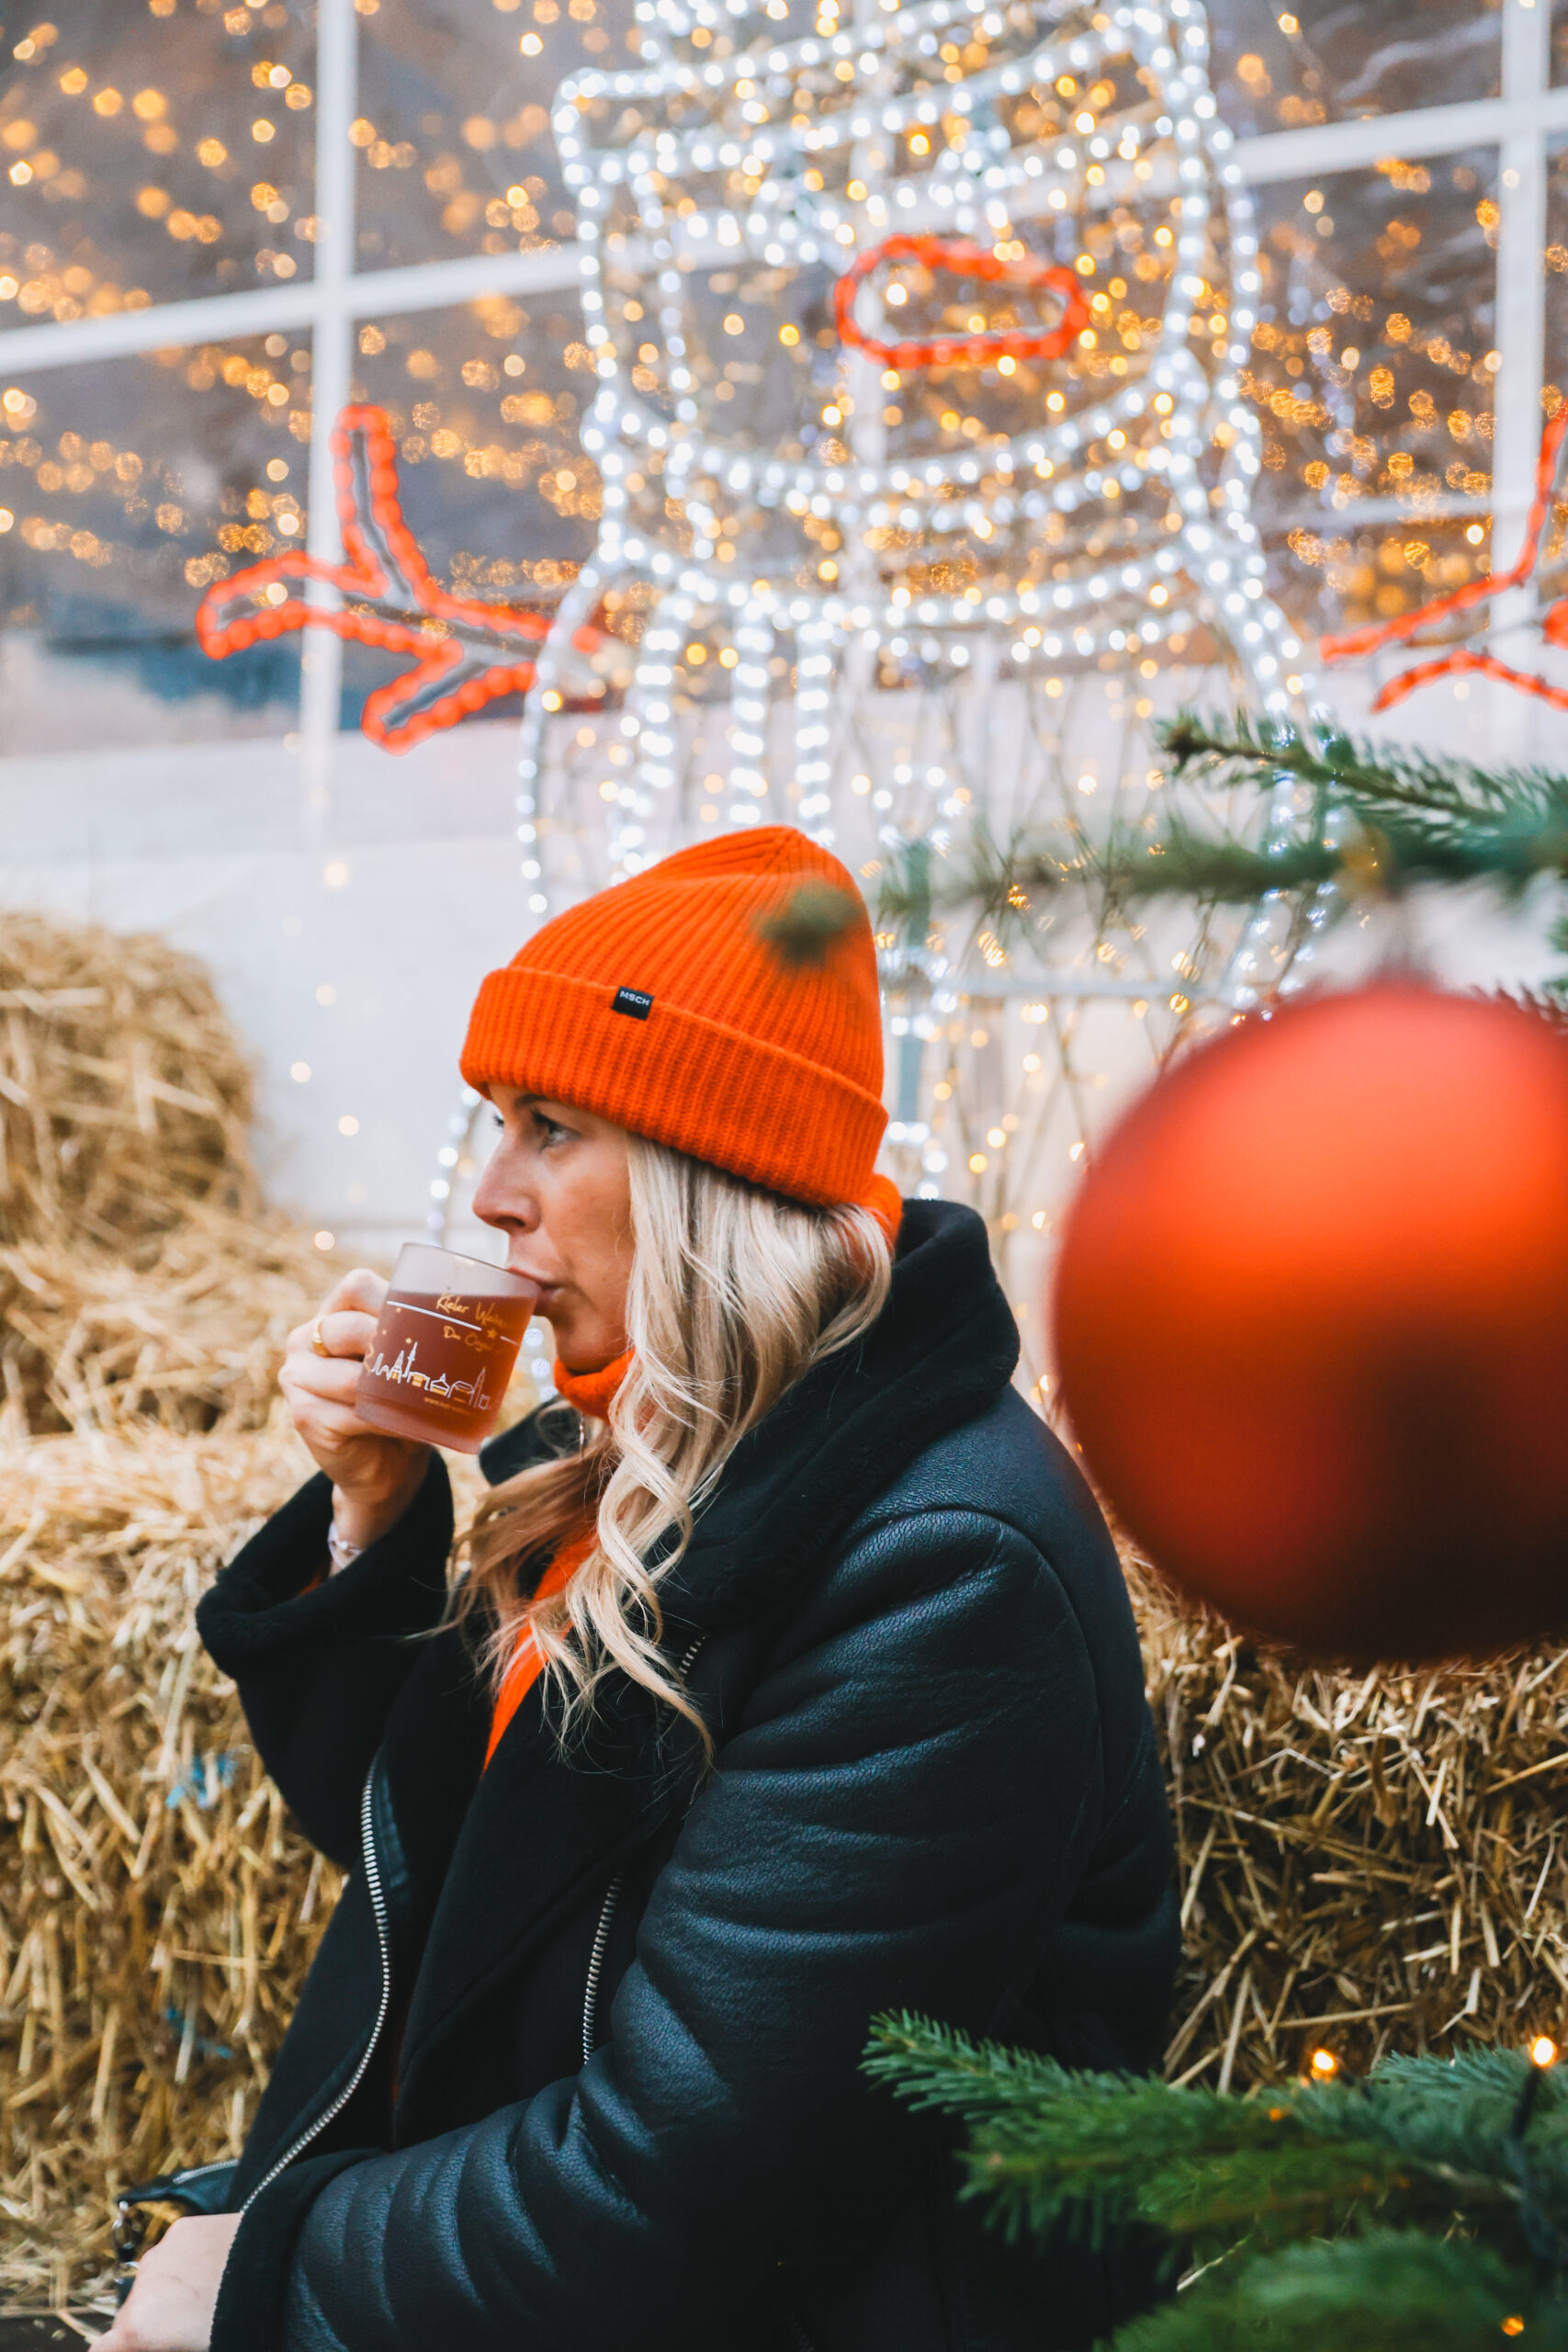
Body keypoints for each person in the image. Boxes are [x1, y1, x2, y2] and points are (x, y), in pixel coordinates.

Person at [102, 826, 1178, 2352]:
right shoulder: (612, 1460)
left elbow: (692, 2184)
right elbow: (441, 1870)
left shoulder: (942, 1570)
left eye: (551, 1126)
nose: (489, 1193)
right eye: (493, 1123)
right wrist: (375, 1502)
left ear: (705, 1166)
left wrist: (279, 2268)